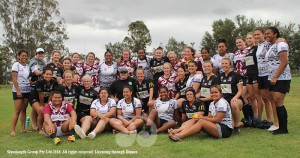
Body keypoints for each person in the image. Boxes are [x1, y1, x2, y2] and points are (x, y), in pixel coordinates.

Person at [169, 85, 233, 141]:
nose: (214, 94)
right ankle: (179, 133)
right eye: (212, 93)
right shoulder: (212, 103)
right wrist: (199, 118)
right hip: (216, 126)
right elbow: (209, 117)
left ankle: (181, 136)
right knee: (196, 119)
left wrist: (201, 117)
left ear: (220, 94)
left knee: (201, 121)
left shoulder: (222, 102)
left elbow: (217, 120)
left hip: (225, 129)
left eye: (216, 92)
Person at [265, 27, 291, 135]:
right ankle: (280, 127)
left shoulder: (281, 45)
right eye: (265, 34)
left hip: (281, 77)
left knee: (279, 102)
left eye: (268, 33)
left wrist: (275, 76)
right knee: (276, 101)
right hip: (272, 77)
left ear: (275, 34)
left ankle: (283, 129)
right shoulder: (272, 45)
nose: (266, 35)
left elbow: (284, 62)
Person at [254, 28, 277, 130]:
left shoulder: (268, 44)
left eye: (258, 34)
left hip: (268, 74)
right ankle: (268, 120)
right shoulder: (258, 46)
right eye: (255, 35)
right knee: (265, 98)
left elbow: (279, 41)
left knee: (272, 98)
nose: (256, 37)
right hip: (260, 74)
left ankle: (275, 121)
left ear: (263, 35)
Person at [217, 57, 243, 134]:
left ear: (230, 65)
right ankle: (242, 122)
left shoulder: (236, 75)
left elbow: (240, 90)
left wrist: (235, 98)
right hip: (224, 100)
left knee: (234, 103)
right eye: (223, 63)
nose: (224, 65)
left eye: (226, 63)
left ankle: (237, 127)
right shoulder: (220, 76)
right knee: (230, 125)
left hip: (236, 99)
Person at [29, 67, 58, 134]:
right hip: (35, 98)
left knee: (47, 109)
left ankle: (43, 125)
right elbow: (41, 94)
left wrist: (48, 103)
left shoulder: (54, 82)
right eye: (47, 74)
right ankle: (40, 129)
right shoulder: (39, 82)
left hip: (45, 99)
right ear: (43, 75)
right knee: (41, 111)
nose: (49, 76)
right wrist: (42, 105)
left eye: (50, 74)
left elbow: (51, 94)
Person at [243, 32, 262, 127]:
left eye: (251, 38)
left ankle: (259, 118)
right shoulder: (248, 50)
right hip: (249, 76)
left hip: (256, 75)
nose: (249, 40)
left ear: (254, 39)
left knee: (258, 97)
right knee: (251, 97)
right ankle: (254, 117)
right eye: (247, 38)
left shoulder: (258, 48)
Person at [10, 50, 31, 136]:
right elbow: (14, 78)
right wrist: (18, 90)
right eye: (22, 56)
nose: (24, 57)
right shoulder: (16, 65)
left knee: (24, 110)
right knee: (17, 110)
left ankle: (23, 128)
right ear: (18, 57)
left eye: (26, 56)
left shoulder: (27, 66)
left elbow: (28, 79)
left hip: (27, 90)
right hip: (18, 91)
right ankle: (12, 130)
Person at [29, 48, 47, 130]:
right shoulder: (34, 62)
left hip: (41, 85)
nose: (40, 54)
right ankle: (34, 124)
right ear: (36, 54)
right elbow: (36, 72)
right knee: (35, 107)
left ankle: (39, 123)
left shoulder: (43, 61)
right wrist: (48, 74)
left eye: (42, 53)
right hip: (33, 86)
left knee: (40, 105)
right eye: (39, 53)